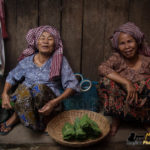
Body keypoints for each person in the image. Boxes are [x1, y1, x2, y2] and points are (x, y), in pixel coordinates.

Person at [0, 25, 79, 135]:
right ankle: (28, 120)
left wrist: (54, 102)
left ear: (55, 44)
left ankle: (40, 119)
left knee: (38, 88)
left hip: (48, 103)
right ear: (36, 42)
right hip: (25, 101)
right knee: (23, 89)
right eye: (42, 38)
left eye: (50, 39)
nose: (45, 41)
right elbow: (12, 76)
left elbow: (72, 84)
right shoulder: (27, 61)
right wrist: (4, 93)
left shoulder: (60, 61)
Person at [97, 22, 150, 136]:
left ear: (137, 42)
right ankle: (117, 119)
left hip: (142, 102)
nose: (127, 47)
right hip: (121, 98)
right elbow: (102, 68)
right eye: (122, 43)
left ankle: (145, 119)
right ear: (117, 46)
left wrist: (139, 86)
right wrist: (127, 82)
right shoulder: (117, 58)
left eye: (130, 41)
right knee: (105, 82)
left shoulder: (147, 60)